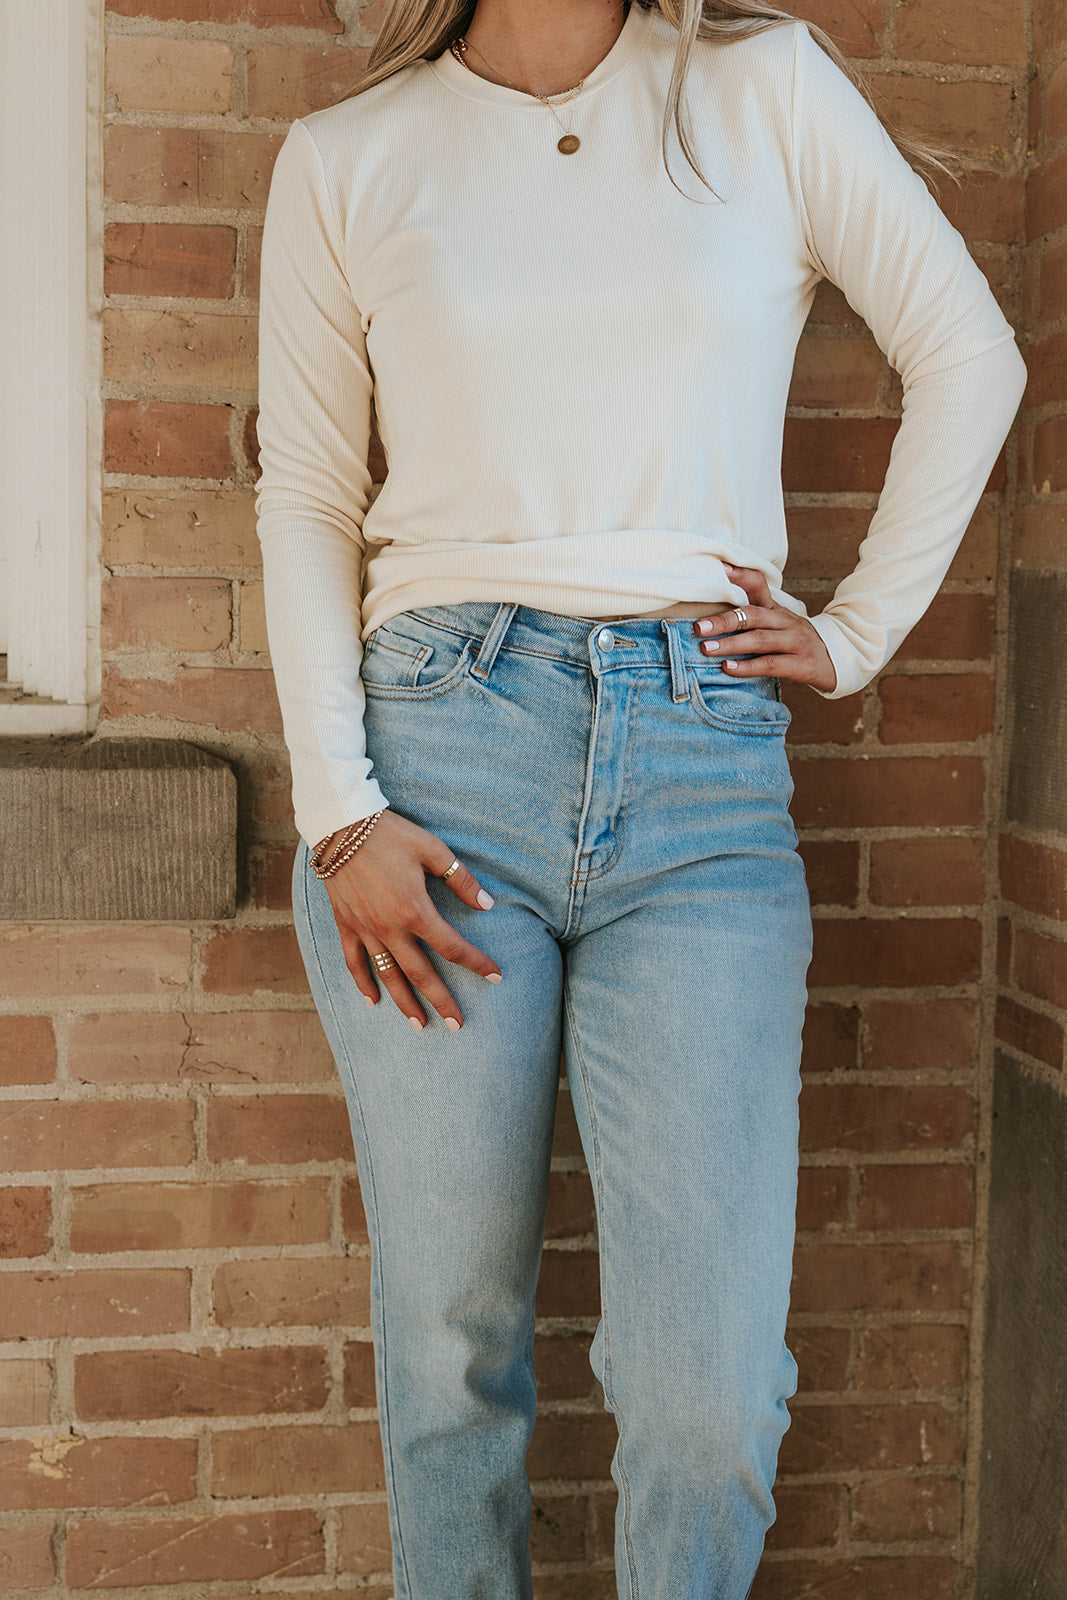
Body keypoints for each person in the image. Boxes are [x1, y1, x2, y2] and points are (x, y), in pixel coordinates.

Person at [253, 1, 1027, 1594]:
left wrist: (858, 631)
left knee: (709, 1398)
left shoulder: (759, 88)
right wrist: (342, 817)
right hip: (437, 776)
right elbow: (311, 492)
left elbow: (972, 353)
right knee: (452, 1350)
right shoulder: (348, 158)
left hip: (701, 780)